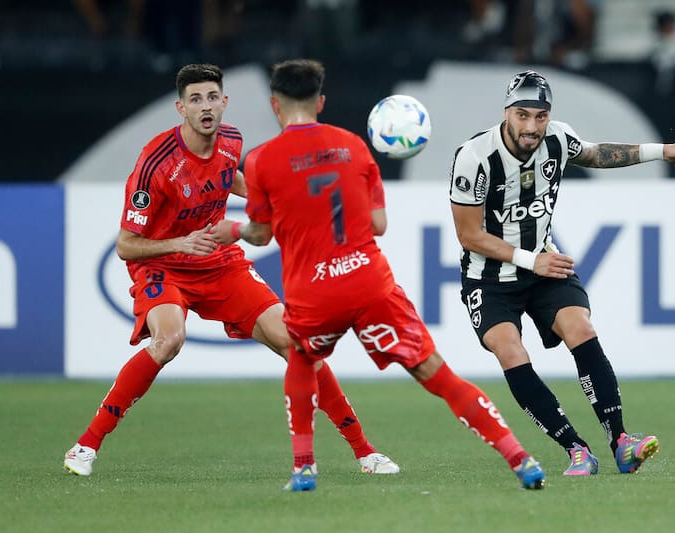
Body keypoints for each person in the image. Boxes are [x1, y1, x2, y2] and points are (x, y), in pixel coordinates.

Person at [210, 58, 546, 492]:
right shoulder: (353, 145)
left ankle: (304, 468)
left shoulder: (260, 161)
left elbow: (259, 232)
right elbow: (379, 224)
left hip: (314, 290)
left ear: (275, 105)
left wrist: (230, 230)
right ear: (321, 101)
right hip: (369, 281)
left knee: (302, 358)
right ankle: (519, 457)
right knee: (437, 374)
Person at [63, 63, 399, 478]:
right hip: (163, 265)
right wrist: (180, 243)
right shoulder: (156, 163)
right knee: (169, 340)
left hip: (220, 265)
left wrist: (280, 199)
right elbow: (125, 245)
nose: (205, 107)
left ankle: (365, 452)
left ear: (224, 102)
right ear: (180, 108)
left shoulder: (231, 140)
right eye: (195, 99)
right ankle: (86, 445)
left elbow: (232, 180)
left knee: (298, 345)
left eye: (211, 98)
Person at [448, 70, 675, 476]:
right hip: (490, 277)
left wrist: (663, 150)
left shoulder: (557, 138)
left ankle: (621, 441)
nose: (531, 127)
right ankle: (576, 449)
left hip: (544, 266)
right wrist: (533, 260)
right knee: (510, 351)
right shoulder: (474, 156)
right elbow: (469, 235)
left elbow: (595, 153)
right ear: (507, 113)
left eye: (540, 116)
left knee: (580, 328)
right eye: (523, 115)